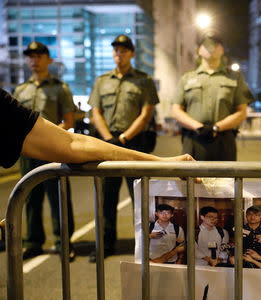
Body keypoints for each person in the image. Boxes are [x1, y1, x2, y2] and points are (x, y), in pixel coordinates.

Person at [1, 88, 195, 257]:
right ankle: (103, 243)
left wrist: (160, 163)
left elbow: (73, 143)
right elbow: (79, 135)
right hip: (109, 138)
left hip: (129, 140)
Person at [88, 34, 160, 262]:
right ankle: (106, 243)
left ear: (132, 53)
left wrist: (125, 138)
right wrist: (109, 138)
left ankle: (143, 245)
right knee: (106, 197)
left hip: (134, 145)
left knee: (139, 197)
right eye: (116, 50)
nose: (119, 54)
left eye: (124, 50)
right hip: (107, 145)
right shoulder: (102, 81)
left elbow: (146, 112)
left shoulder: (144, 80)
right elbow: (96, 112)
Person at [12, 42, 77, 261]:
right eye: (30, 56)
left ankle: (63, 242)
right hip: (28, 153)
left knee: (59, 196)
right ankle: (33, 242)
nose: (34, 59)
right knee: (29, 197)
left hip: (52, 152)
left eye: (39, 55)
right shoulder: (20, 90)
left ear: (48, 60)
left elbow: (68, 121)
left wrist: (49, 139)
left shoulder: (60, 88)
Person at [171, 32, 254, 161]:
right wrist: (198, 127)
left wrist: (217, 127)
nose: (211, 48)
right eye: (206, 44)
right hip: (193, 139)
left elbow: (241, 112)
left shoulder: (235, 78)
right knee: (192, 180)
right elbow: (176, 110)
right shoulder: (187, 78)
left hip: (224, 140)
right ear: (199, 50)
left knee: (225, 180)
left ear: (222, 49)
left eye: (215, 44)